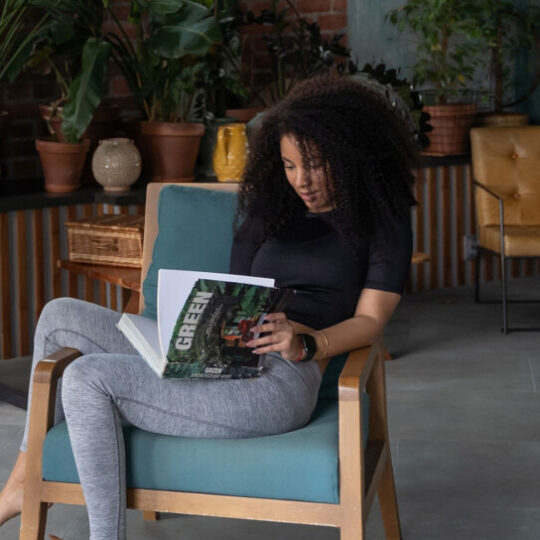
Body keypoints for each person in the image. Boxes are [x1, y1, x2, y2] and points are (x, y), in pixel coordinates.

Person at [0, 75, 416, 539]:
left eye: (315, 165)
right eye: (289, 164)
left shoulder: (381, 219)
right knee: (59, 316)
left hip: (280, 378)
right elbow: (234, 289)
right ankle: (21, 481)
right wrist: (188, 330)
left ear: (348, 153)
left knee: (85, 376)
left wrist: (307, 342)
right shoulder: (271, 206)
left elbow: (371, 321)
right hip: (222, 353)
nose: (302, 180)